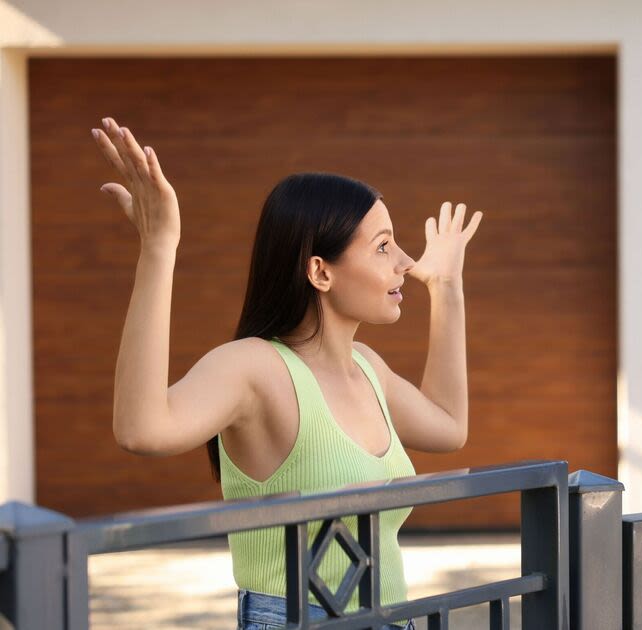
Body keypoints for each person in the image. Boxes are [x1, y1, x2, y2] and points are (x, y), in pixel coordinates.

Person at [92, 116, 482, 630]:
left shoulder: (369, 370)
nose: (406, 261)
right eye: (384, 245)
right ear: (320, 271)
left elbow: (450, 427)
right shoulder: (255, 366)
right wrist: (159, 248)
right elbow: (140, 429)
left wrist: (448, 286)